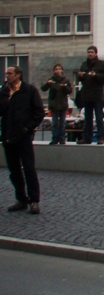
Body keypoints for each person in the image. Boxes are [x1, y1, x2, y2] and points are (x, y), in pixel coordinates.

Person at [1, 65, 46, 214]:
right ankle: (21, 199)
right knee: (14, 171)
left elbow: (39, 112)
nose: (7, 75)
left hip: (24, 136)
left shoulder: (29, 90)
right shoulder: (4, 91)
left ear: (18, 75)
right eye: (6, 73)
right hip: (8, 136)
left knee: (29, 169)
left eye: (10, 73)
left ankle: (34, 200)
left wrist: (28, 128)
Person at [77, 46, 104, 145]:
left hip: (97, 94)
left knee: (99, 117)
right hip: (87, 94)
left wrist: (95, 75)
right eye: (89, 52)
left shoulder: (102, 64)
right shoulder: (84, 65)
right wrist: (81, 77)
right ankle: (87, 137)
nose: (90, 54)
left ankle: (100, 137)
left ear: (96, 53)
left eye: (92, 52)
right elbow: (81, 80)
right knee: (88, 118)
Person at [41, 64, 73, 145]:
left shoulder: (66, 80)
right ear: (54, 71)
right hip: (54, 104)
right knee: (54, 123)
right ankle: (54, 138)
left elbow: (70, 91)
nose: (58, 71)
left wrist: (65, 87)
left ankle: (62, 138)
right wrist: (48, 84)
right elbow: (43, 89)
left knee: (62, 123)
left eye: (59, 69)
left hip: (63, 104)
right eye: (56, 69)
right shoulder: (51, 80)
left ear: (62, 70)